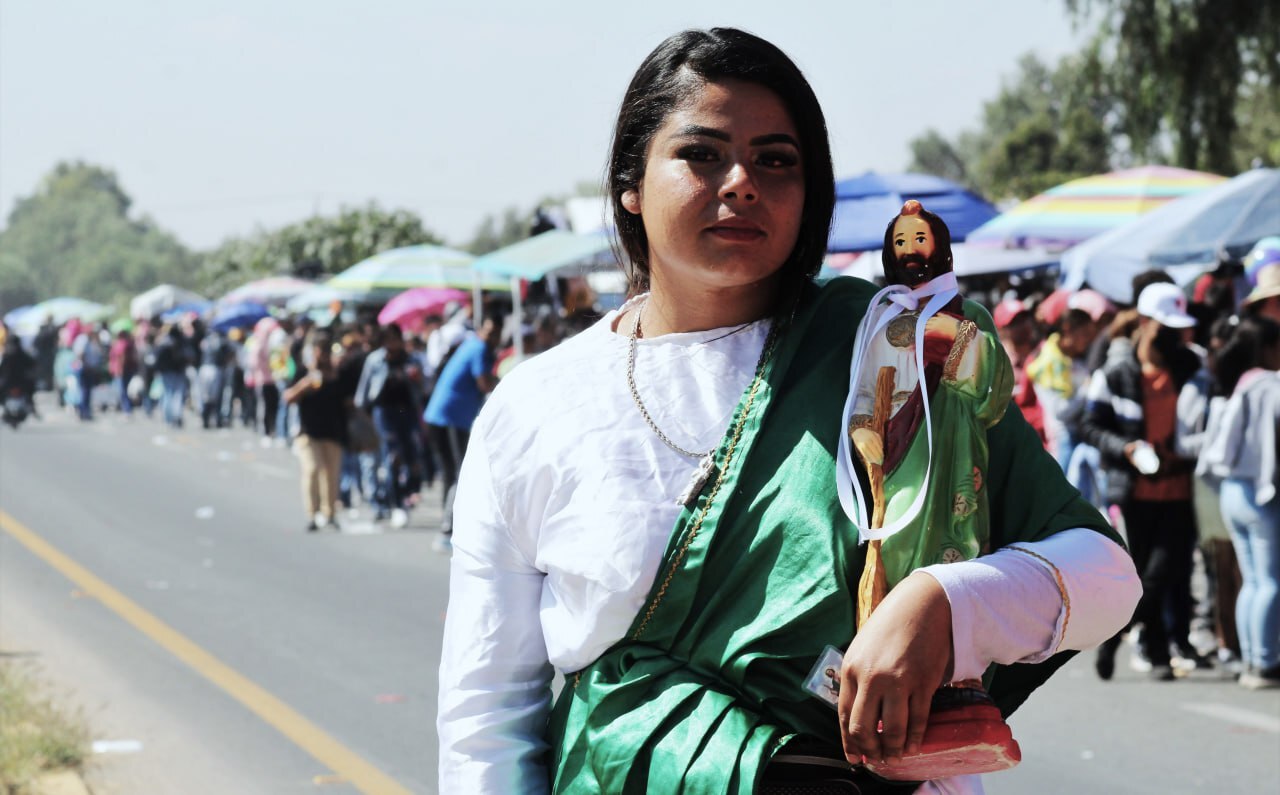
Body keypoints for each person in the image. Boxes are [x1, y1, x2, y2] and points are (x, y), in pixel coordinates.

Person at [437, 28, 1139, 795]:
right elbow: (488, 716)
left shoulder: (898, 354)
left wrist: (948, 603)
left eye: (777, 161)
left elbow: (1106, 577)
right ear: (630, 183)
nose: (741, 182)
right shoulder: (534, 408)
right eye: (701, 154)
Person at [1082, 282, 1202, 682]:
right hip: (1134, 491)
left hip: (1181, 490)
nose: (1175, 336)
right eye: (1166, 327)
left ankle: (1120, 637)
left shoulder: (1191, 369)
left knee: (1167, 572)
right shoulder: (1115, 374)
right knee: (1146, 574)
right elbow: (1091, 426)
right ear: (1146, 323)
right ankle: (1156, 652)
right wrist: (1127, 448)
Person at [1198, 315, 1280, 688]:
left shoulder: (1240, 385)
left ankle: (1252, 659)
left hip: (1232, 491)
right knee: (1268, 581)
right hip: (1261, 492)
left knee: (1253, 580)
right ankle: (1265, 662)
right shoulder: (1270, 385)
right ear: (1268, 348)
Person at [423, 313, 501, 548]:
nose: (491, 337)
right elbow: (484, 383)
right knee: (459, 472)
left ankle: (448, 524)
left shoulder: (471, 343)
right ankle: (448, 528)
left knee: (450, 473)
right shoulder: (479, 349)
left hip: (439, 414)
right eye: (488, 332)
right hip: (451, 416)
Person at [355, 324, 425, 527]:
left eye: (396, 338)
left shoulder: (412, 359)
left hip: (408, 412)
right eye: (388, 338)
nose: (392, 343)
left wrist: (416, 378)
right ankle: (396, 503)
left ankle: (408, 492)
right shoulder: (376, 360)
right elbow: (364, 393)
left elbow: (424, 388)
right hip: (384, 413)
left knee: (412, 458)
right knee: (392, 457)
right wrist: (364, 418)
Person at [283, 331, 347, 532]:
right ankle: (312, 514)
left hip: (333, 431)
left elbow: (347, 402)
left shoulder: (338, 374)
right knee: (312, 469)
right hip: (308, 431)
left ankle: (330, 514)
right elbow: (288, 398)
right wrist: (304, 385)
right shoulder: (304, 372)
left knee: (331, 474)